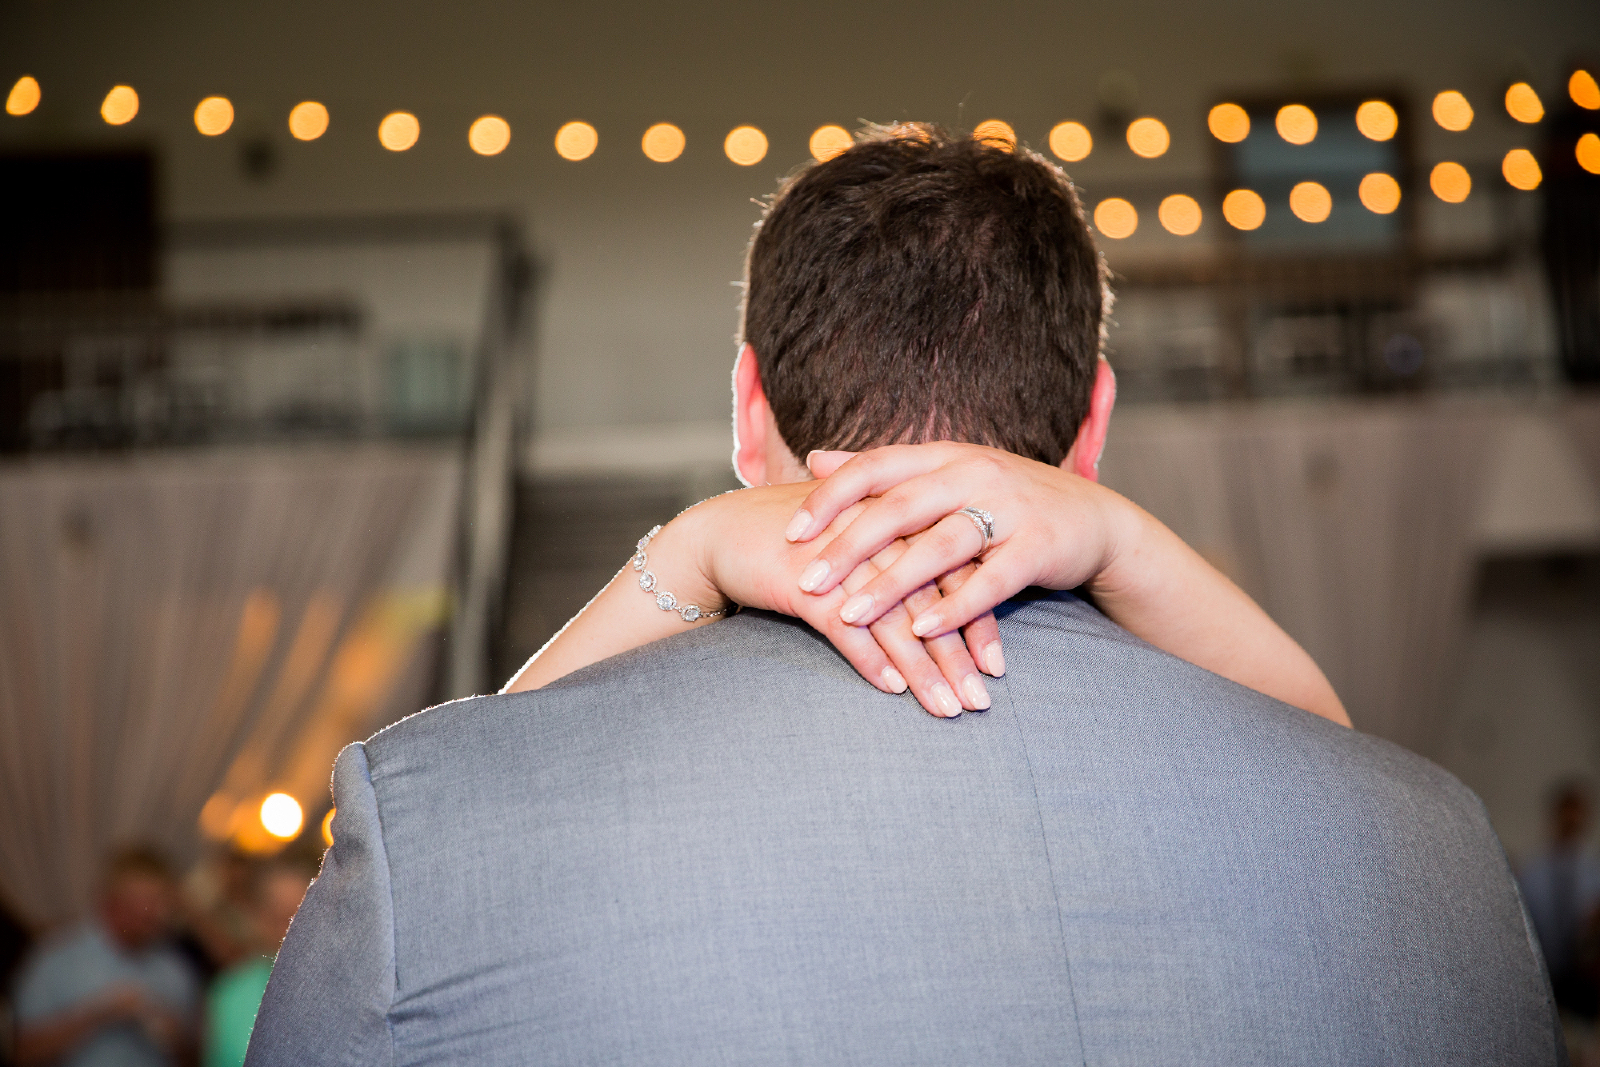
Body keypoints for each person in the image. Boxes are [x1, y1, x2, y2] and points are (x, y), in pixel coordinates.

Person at [247, 125, 1559, 1064]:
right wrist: (1119, 535)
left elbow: (491, 778)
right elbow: (1320, 731)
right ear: (1090, 424)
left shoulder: (433, 829)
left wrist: (690, 548)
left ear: (747, 407)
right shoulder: (1430, 835)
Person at [14, 847, 199, 1067]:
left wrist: (174, 1036)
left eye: (164, 902)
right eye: (147, 903)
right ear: (112, 902)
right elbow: (22, 1053)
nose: (159, 914)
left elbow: (195, 1057)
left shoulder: (175, 968)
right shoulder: (56, 958)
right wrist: (98, 1014)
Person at [203, 861, 311, 1067]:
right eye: (278, 918)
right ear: (260, 919)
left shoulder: (346, 989)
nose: (288, 929)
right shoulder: (229, 993)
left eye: (300, 917)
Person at [1522, 780, 1600, 1019]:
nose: (1572, 818)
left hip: (1582, 986)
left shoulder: (1593, 872)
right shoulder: (1533, 871)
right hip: (1541, 978)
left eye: (1577, 811)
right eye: (1567, 810)